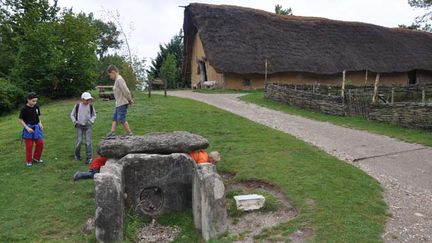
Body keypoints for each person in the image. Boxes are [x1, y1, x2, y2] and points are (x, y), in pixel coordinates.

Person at [105, 64, 133, 138]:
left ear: (113, 72)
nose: (110, 77)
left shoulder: (119, 79)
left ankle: (129, 133)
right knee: (114, 118)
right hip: (118, 104)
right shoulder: (117, 80)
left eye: (110, 75)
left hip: (122, 103)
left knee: (121, 119)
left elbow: (126, 91)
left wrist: (129, 100)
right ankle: (112, 132)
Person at [19, 92, 44, 167]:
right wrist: (27, 128)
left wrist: (40, 123)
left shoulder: (36, 107)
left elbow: (38, 116)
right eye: (33, 101)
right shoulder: (24, 109)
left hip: (36, 128)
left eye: (36, 101)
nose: (34, 102)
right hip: (28, 130)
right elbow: (20, 120)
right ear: (28, 100)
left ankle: (36, 158)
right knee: (29, 146)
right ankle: (29, 161)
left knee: (40, 143)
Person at [70, 92, 97, 164]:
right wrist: (75, 122)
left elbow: (94, 115)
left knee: (88, 142)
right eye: (87, 100)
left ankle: (89, 157)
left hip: (88, 126)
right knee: (79, 141)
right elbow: (72, 115)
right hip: (79, 126)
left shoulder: (91, 106)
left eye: (89, 100)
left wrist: (91, 121)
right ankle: (77, 155)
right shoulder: (77, 106)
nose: (88, 101)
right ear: (82, 99)